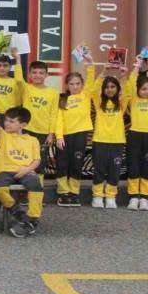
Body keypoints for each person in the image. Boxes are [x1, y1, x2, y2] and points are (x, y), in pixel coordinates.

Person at [0, 100, 44, 238]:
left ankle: (32, 218)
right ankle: (17, 211)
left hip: (25, 171)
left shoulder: (32, 140)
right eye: (6, 120)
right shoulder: (3, 135)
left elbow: (37, 160)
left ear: (23, 125)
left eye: (11, 121)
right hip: (4, 171)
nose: (7, 123)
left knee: (35, 183)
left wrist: (26, 170)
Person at [54, 57, 95, 207]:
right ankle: (63, 193)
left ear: (82, 84)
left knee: (76, 164)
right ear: (66, 85)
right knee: (62, 164)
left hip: (80, 135)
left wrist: (90, 64)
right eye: (72, 84)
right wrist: (59, 137)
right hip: (64, 137)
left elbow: (91, 80)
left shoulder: (85, 95)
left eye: (78, 83)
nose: (75, 86)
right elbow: (59, 120)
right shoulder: (62, 99)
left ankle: (74, 192)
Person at [11, 49, 59, 176]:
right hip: (27, 129)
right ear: (30, 74)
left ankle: (38, 185)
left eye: (41, 73)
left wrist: (51, 134)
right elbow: (18, 80)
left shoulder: (53, 93)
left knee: (40, 160)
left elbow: (54, 114)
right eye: (34, 72)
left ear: (47, 75)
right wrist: (18, 59)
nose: (38, 75)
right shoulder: (26, 88)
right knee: (24, 157)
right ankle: (25, 183)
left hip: (43, 132)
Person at [124, 56, 148, 210]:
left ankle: (144, 198)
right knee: (133, 166)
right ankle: (134, 197)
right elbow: (130, 83)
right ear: (138, 90)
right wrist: (137, 66)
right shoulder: (134, 99)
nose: (147, 91)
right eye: (143, 89)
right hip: (135, 135)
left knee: (147, 167)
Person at [90, 64, 128, 209]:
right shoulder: (99, 103)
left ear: (117, 88)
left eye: (113, 87)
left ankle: (111, 196)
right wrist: (103, 72)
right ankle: (98, 196)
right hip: (99, 141)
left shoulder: (121, 103)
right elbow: (94, 90)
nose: (110, 89)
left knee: (114, 170)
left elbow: (128, 92)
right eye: (107, 87)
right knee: (99, 169)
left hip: (117, 142)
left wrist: (123, 77)